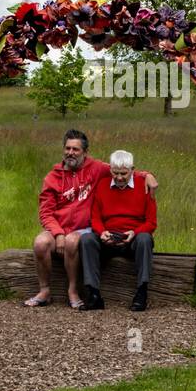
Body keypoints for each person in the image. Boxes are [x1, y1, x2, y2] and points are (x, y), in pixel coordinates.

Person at [28, 129, 158, 309]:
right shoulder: (52, 178)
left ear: (85, 153)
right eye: (67, 148)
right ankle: (46, 291)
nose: (70, 153)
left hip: (86, 229)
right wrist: (58, 234)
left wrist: (148, 175)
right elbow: (46, 212)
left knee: (75, 241)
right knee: (40, 243)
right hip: (60, 228)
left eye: (76, 149)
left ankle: (75, 291)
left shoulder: (97, 168)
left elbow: (123, 170)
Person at [79, 150, 157, 312]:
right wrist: (101, 232)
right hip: (108, 236)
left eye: (124, 173)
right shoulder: (102, 185)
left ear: (132, 170)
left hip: (133, 238)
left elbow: (151, 222)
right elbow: (95, 218)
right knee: (87, 239)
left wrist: (134, 232)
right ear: (110, 170)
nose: (119, 177)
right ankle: (93, 294)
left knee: (145, 239)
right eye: (115, 173)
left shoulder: (144, 186)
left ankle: (142, 292)